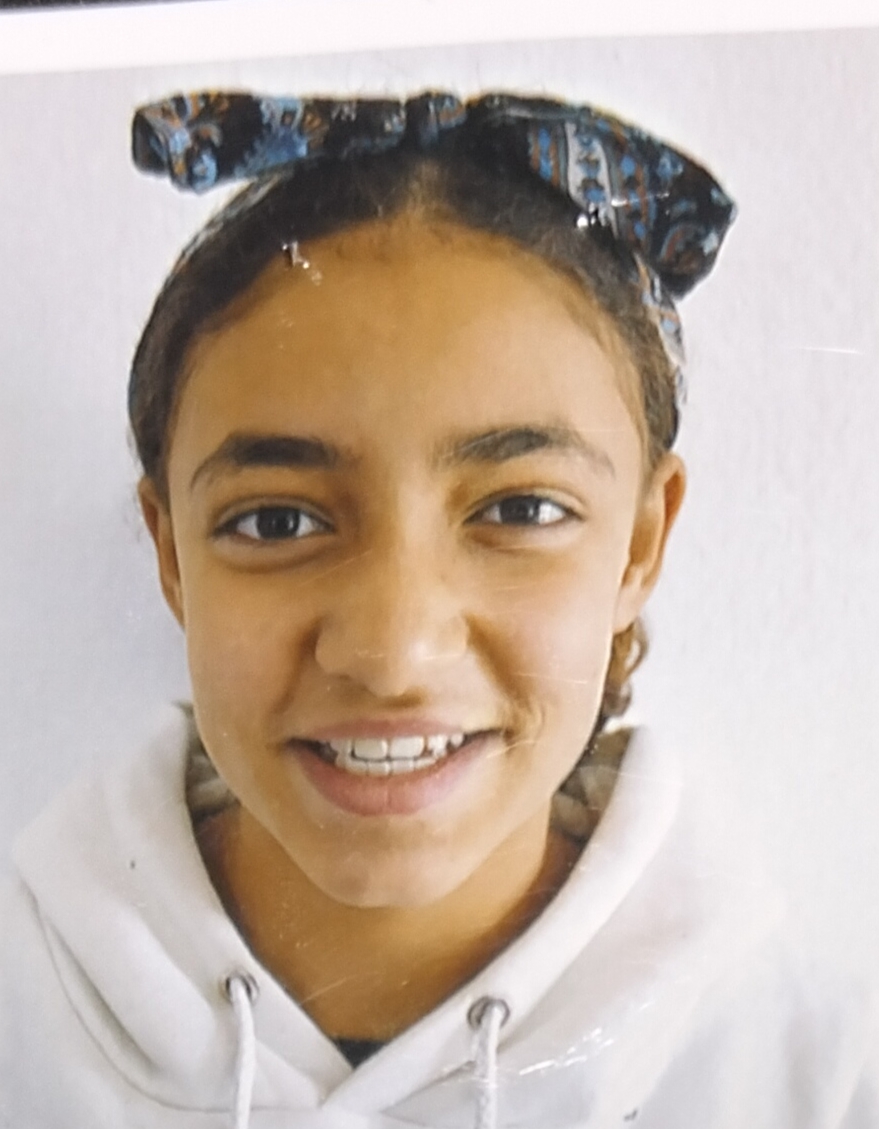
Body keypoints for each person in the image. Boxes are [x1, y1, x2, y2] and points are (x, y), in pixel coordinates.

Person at [1, 91, 875, 1128]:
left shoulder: (817, 1079)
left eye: (519, 510)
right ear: (171, 556)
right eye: (277, 521)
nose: (393, 653)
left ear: (641, 543)